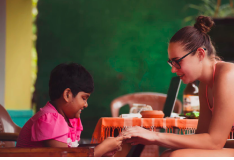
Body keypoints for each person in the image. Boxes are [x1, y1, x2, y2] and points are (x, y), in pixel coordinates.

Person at [121, 16, 234, 157]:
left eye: (177, 62)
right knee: (169, 154)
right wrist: (152, 139)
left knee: (175, 156)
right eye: (171, 63)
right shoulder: (205, 84)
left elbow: (214, 142)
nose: (173, 70)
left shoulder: (228, 75)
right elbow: (203, 136)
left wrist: (155, 137)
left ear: (200, 54)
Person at [16, 63, 123, 157]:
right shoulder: (50, 119)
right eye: (84, 98)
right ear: (67, 94)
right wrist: (102, 149)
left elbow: (72, 153)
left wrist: (102, 149)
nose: (86, 105)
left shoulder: (65, 118)